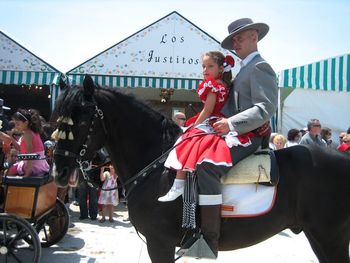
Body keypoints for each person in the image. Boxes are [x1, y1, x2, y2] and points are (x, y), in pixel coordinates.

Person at [169, 18, 278, 258]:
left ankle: (209, 240)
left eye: (240, 37)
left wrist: (230, 123)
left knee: (207, 166)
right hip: (232, 131)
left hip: (246, 135)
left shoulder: (260, 66)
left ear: (254, 37)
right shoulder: (243, 70)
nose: (236, 42)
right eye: (233, 39)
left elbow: (265, 107)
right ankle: (188, 222)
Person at [159, 51, 235, 202]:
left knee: (186, 138)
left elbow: (207, 110)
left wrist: (195, 125)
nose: (205, 70)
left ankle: (178, 184)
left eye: (210, 66)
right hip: (217, 119)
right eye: (203, 66)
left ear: (220, 69)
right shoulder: (223, 84)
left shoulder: (214, 86)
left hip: (212, 120)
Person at [7, 109, 49, 177]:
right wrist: (10, 137)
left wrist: (27, 172)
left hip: (33, 166)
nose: (15, 126)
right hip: (39, 164)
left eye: (18, 124)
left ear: (26, 123)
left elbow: (30, 154)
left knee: (6, 173)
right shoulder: (32, 132)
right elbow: (19, 148)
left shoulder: (27, 133)